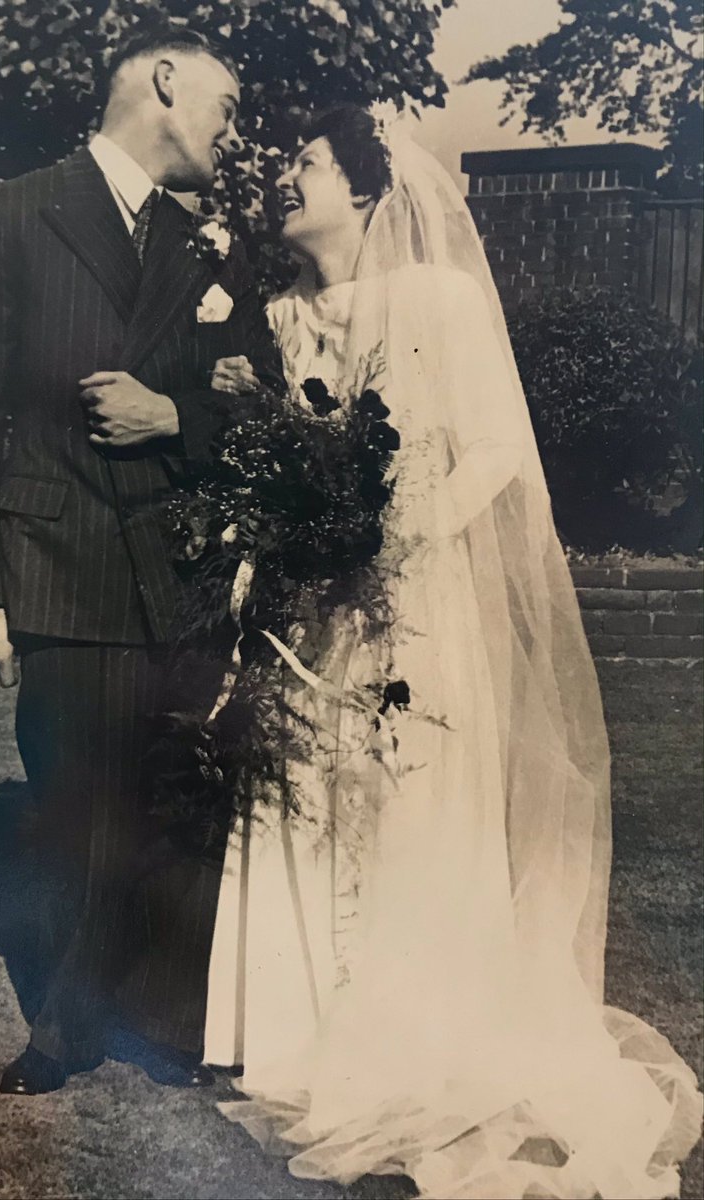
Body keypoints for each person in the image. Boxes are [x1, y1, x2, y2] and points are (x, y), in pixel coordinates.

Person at [205, 108, 702, 1199]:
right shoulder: (281, 313)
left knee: (406, 796)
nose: (284, 177)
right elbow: (298, 450)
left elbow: (494, 449)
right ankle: (297, 1032)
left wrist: (399, 537)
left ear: (365, 189)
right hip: (312, 600)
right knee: (304, 788)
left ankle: (411, 1033)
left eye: (305, 162)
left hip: (413, 594)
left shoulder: (438, 299)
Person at [0, 24, 283, 1096]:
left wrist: (171, 414)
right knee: (79, 803)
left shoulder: (205, 246)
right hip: (60, 559)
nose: (233, 132)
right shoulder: (9, 213)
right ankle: (67, 1028)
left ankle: (168, 1020)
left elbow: (256, 407)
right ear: (165, 81)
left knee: (177, 804)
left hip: (178, 573)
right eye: (226, 105)